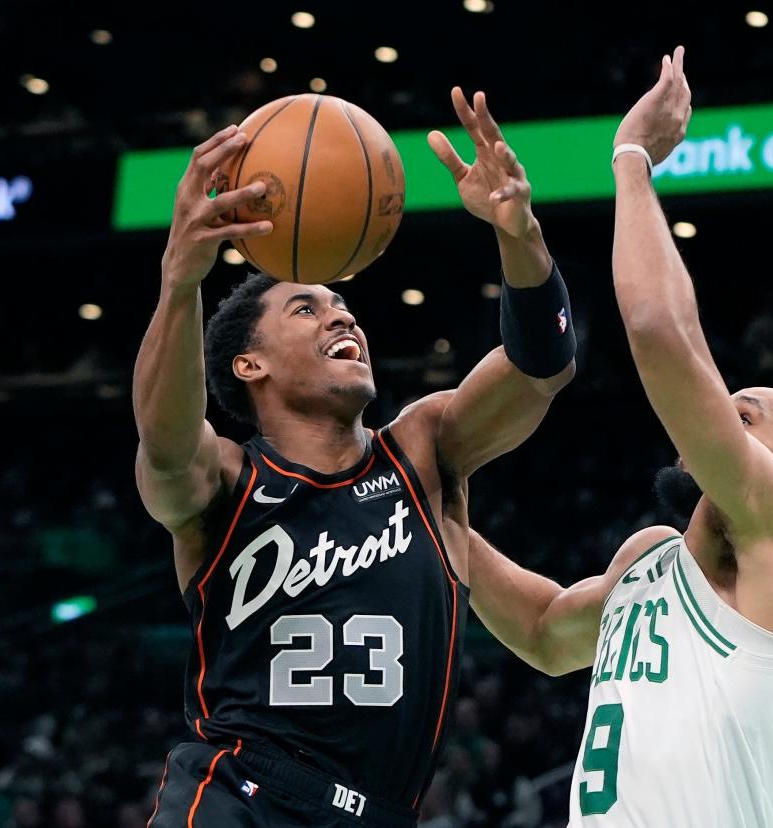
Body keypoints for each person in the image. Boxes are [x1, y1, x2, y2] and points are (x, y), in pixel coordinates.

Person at [133, 87, 576, 827]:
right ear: (250, 366)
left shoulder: (423, 450)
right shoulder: (224, 481)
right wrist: (181, 278)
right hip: (242, 797)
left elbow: (542, 367)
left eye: (343, 308)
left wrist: (519, 232)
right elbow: (166, 440)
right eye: (305, 308)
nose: (341, 314)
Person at [464, 48, 773, 827]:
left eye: (743, 415)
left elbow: (660, 333)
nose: (713, 421)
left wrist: (631, 159)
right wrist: (433, 514)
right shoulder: (646, 559)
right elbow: (542, 631)